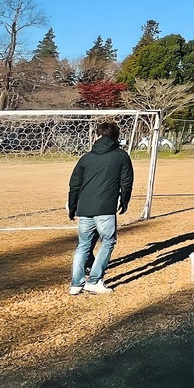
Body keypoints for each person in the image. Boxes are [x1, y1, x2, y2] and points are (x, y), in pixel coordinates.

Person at [68, 121, 133, 295]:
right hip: (105, 207)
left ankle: (76, 284)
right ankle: (95, 280)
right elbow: (126, 182)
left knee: (83, 245)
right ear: (116, 136)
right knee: (108, 242)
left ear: (98, 135)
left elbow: (74, 184)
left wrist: (72, 206)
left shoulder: (86, 158)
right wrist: (124, 201)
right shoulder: (121, 156)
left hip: (85, 208)